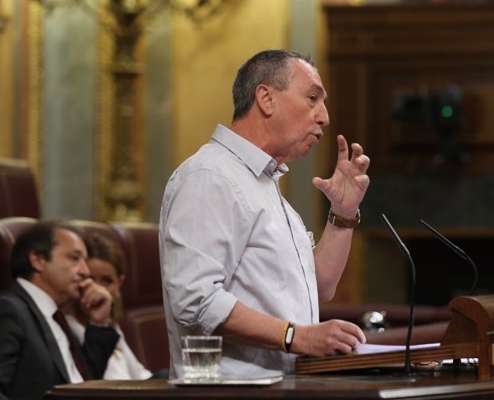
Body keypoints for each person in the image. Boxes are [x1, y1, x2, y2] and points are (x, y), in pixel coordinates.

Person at [159, 49, 371, 379]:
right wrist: (296, 337)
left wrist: (343, 214)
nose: (325, 117)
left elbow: (319, 287)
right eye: (313, 98)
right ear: (266, 98)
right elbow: (193, 299)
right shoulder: (210, 176)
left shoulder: (261, 185)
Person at [0, 220, 119, 400]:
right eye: (74, 258)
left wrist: (99, 323)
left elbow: (85, 383)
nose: (85, 271)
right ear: (38, 260)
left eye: (85, 261)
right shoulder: (10, 310)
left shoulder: (56, 316)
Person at [63, 233, 153, 380]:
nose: (98, 289)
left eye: (107, 281)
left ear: (120, 283)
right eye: (89, 279)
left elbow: (140, 377)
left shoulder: (109, 323)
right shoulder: (66, 326)